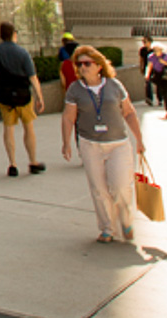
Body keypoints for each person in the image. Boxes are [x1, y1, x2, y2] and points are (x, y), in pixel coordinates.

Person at [60, 45, 146, 243]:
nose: (83, 67)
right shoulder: (75, 89)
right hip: (90, 145)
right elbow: (68, 117)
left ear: (99, 66)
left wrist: (139, 139)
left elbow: (129, 112)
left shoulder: (114, 85)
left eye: (87, 63)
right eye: (79, 64)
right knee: (98, 189)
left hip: (118, 144)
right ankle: (107, 228)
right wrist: (66, 143)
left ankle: (126, 220)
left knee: (121, 186)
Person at [0, 22, 46, 177]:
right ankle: (33, 161)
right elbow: (33, 77)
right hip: (23, 95)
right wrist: (39, 97)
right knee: (28, 127)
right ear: (14, 34)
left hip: (4, 95)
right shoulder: (22, 52)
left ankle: (12, 164)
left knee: (8, 128)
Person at [145, 44, 167, 119]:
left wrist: (164, 62)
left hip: (165, 77)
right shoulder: (151, 57)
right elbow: (149, 66)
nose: (156, 51)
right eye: (155, 49)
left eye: (158, 49)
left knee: (166, 94)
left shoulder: (165, 56)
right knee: (163, 93)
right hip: (158, 77)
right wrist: (147, 75)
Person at [137, 36, 155, 106]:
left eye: (145, 42)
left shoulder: (154, 50)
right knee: (148, 83)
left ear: (150, 42)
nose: (144, 43)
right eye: (143, 42)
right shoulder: (142, 50)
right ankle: (149, 98)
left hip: (155, 68)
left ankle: (160, 98)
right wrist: (141, 67)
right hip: (146, 68)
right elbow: (141, 59)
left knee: (158, 83)